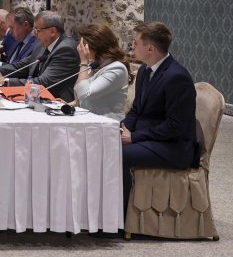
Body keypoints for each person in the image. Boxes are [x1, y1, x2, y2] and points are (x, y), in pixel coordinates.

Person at [121, 22, 198, 209]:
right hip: (151, 138)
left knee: (120, 154)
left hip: (173, 147)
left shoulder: (176, 77)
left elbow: (175, 126)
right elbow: (136, 109)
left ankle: (119, 220)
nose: (132, 46)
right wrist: (122, 128)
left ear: (150, 48)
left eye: (135, 42)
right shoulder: (144, 71)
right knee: (104, 144)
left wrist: (134, 137)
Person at [0, 10, 79, 102]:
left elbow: (44, 82)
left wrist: (6, 82)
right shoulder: (42, 44)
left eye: (37, 30)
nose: (34, 34)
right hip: (39, 99)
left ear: (53, 31)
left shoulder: (66, 50)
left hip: (58, 103)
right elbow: (23, 66)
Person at [72, 23, 132, 121]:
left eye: (83, 44)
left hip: (107, 123)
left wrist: (83, 62)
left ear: (95, 45)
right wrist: (71, 104)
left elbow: (85, 94)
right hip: (90, 120)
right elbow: (86, 92)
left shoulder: (117, 69)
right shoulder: (96, 64)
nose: (80, 48)